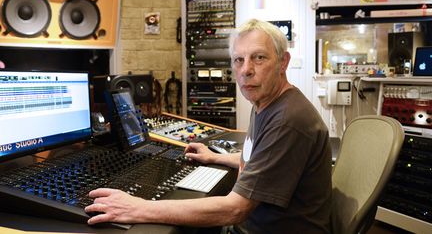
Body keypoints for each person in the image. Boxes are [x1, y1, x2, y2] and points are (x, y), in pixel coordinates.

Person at [85, 19, 332, 233]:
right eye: (238, 60)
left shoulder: (287, 120)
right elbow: (260, 158)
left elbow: (235, 209)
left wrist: (139, 207)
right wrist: (215, 158)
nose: (246, 70)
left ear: (283, 62)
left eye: (259, 57)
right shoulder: (268, 102)